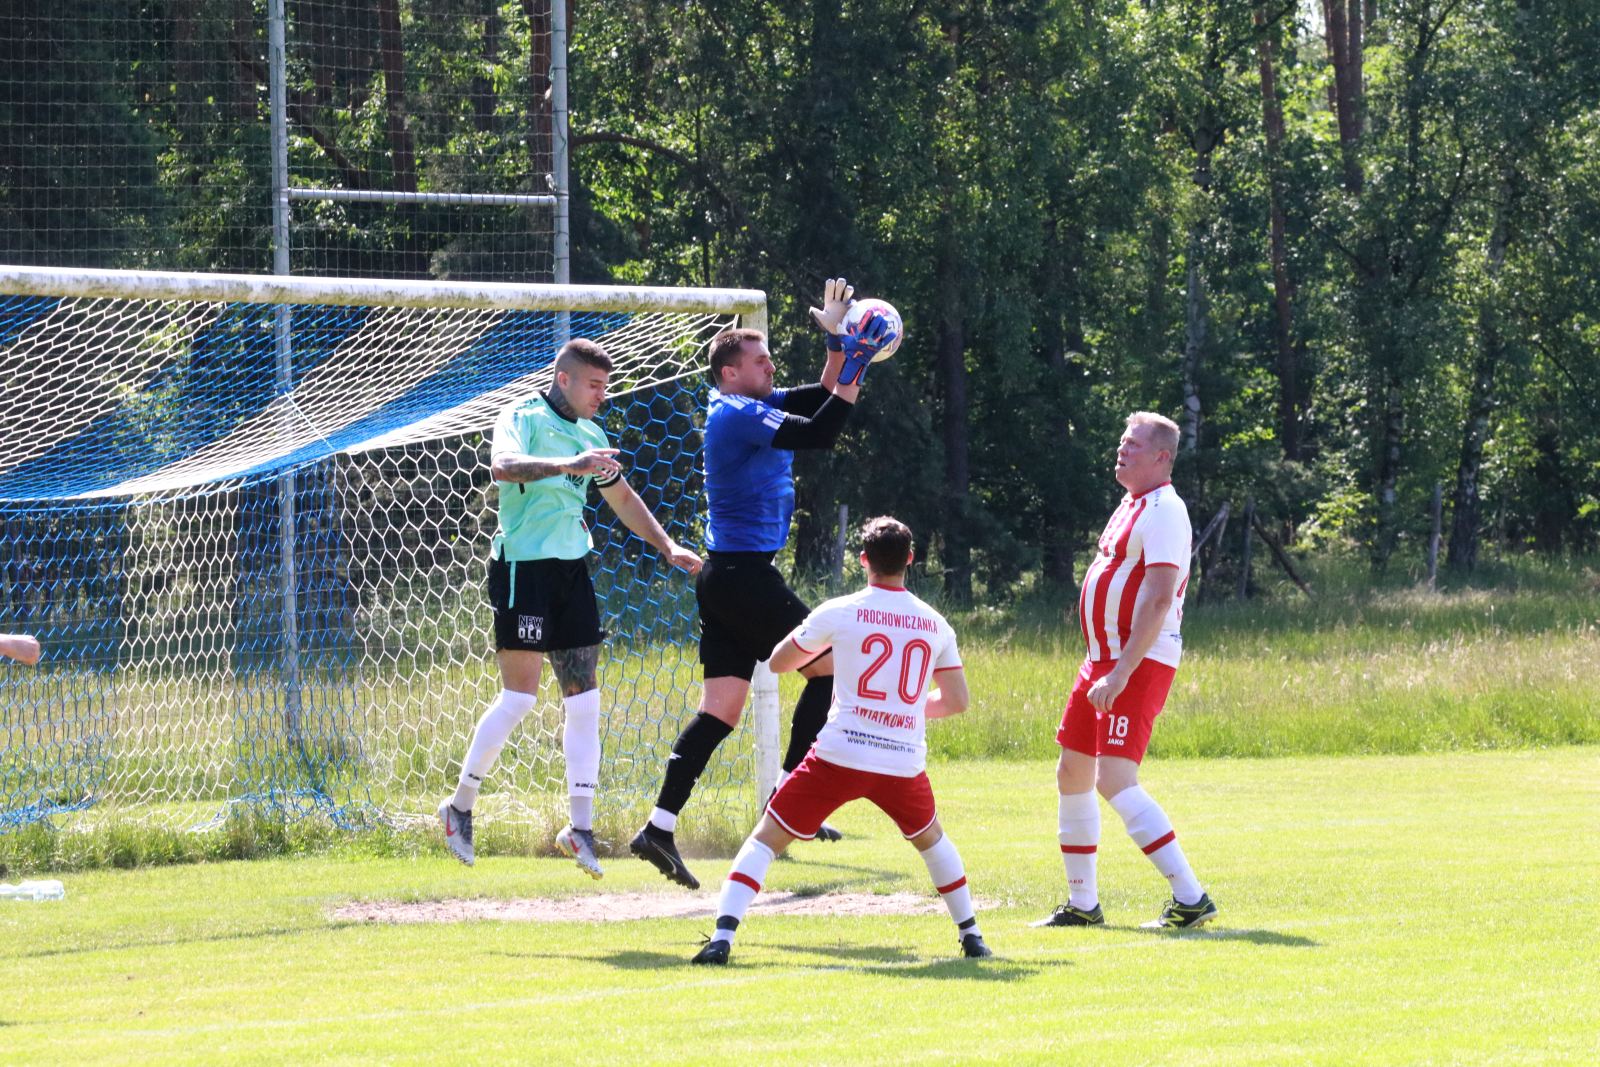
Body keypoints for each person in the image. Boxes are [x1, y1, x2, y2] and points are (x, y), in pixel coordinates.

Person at [631, 278, 894, 890]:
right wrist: (858, 361)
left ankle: (659, 827)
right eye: (760, 361)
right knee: (831, 668)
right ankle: (788, 799)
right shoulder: (736, 412)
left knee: (719, 713)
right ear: (729, 373)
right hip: (744, 578)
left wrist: (838, 342)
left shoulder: (752, 404)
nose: (771, 367)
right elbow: (820, 431)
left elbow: (823, 396)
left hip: (727, 578)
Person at [437, 338, 702, 878]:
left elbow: (621, 497)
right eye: (594, 386)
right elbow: (503, 467)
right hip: (524, 569)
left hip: (572, 571)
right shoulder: (522, 416)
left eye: (606, 386)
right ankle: (459, 808)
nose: (602, 396)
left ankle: (579, 829)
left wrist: (666, 545)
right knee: (519, 698)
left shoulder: (593, 436)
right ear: (564, 379)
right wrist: (569, 463)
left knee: (585, 701)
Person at [691, 516, 989, 964]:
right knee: (932, 841)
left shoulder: (840, 610)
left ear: (863, 559)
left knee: (765, 840)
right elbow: (957, 700)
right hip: (901, 758)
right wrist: (905, 709)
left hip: (841, 751)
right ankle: (972, 935)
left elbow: (778, 663)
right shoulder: (935, 623)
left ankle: (722, 938)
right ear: (910, 559)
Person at [1036, 411, 1217, 930]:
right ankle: (1083, 904)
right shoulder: (1131, 503)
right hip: (1101, 659)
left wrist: (1120, 674)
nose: (1121, 450)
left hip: (1135, 660)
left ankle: (1191, 897)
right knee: (1072, 771)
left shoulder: (1167, 509)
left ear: (1161, 457)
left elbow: (1159, 597)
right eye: (1122, 441)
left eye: (1133, 444)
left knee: (1115, 778)